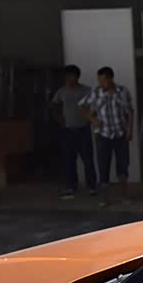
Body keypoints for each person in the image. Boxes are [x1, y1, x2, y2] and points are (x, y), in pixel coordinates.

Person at [80, 67, 134, 207]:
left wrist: (129, 130)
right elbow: (82, 106)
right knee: (103, 165)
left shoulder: (122, 92)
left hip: (120, 133)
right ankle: (104, 198)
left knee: (123, 165)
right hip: (103, 134)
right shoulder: (96, 92)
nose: (101, 83)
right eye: (99, 80)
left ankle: (124, 195)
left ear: (111, 79)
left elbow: (129, 111)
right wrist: (92, 119)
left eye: (104, 80)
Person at [51, 64, 97, 199]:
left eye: (71, 76)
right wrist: (59, 119)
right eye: (66, 77)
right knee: (69, 160)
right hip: (67, 130)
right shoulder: (61, 91)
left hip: (83, 129)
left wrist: (90, 119)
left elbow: (95, 106)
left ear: (77, 77)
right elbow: (54, 105)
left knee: (87, 159)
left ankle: (92, 186)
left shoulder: (87, 90)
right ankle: (71, 186)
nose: (68, 79)